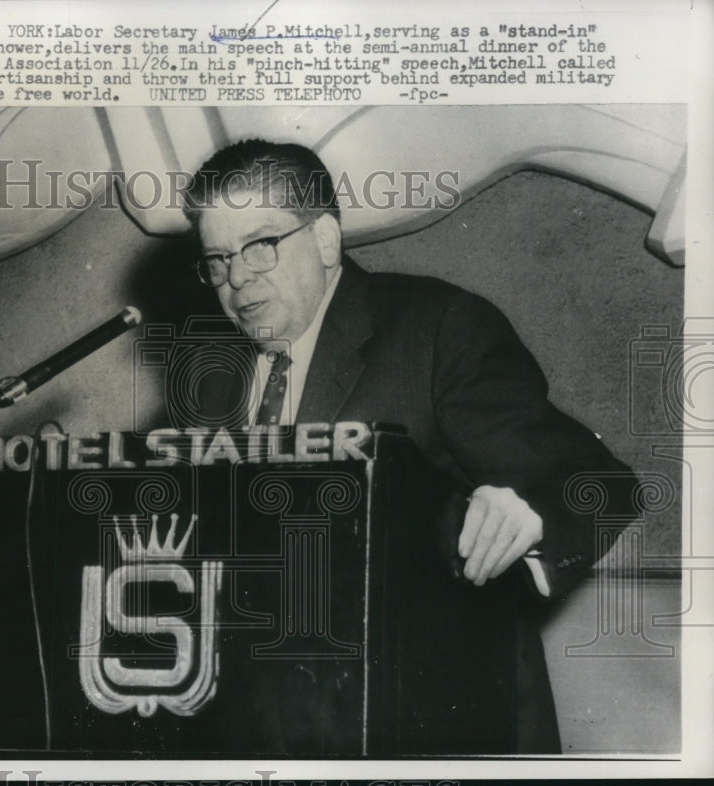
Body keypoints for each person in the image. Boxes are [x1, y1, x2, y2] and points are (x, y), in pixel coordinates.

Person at [178, 139, 637, 753]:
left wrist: (531, 514)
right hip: (280, 723)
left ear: (324, 240)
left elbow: (598, 480)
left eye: (261, 246)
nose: (236, 279)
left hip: (435, 719)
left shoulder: (436, 327)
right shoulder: (210, 384)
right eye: (217, 260)